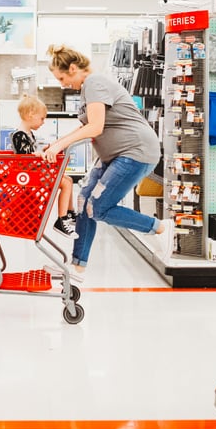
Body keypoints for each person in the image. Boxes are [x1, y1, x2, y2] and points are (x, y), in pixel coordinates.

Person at [39, 44, 173, 282]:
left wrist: (61, 145)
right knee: (84, 202)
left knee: (98, 208)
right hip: (114, 155)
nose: (62, 84)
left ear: (72, 68)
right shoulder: (87, 89)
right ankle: (77, 267)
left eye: (62, 78)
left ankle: (160, 228)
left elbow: (95, 127)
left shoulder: (95, 83)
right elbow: (87, 126)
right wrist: (57, 143)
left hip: (135, 152)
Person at [12, 95, 77, 239]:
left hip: (35, 174)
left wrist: (45, 150)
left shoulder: (29, 134)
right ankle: (62, 220)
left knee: (68, 180)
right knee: (65, 183)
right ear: (31, 115)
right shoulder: (19, 135)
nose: (43, 122)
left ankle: (70, 213)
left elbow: (32, 153)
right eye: (42, 118)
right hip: (29, 177)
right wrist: (39, 154)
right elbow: (24, 158)